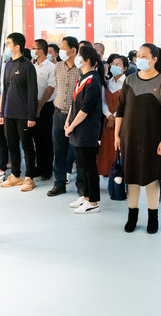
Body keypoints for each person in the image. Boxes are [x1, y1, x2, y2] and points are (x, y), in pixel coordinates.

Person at [115, 43, 161, 233]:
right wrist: (117, 135)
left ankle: (153, 216)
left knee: (151, 178)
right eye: (138, 55)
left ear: (154, 60)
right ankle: (132, 215)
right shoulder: (129, 80)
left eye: (144, 56)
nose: (139, 58)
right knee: (131, 177)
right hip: (129, 137)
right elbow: (120, 109)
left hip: (152, 138)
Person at [0, 33, 38, 192]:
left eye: (8, 44)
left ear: (17, 47)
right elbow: (5, 91)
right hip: (9, 113)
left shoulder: (28, 66)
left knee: (27, 146)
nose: (6, 47)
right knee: (11, 145)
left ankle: (29, 178)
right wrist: (2, 113)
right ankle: (15, 175)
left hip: (23, 115)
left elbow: (32, 93)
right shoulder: (8, 65)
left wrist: (31, 116)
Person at [66, 46, 104, 214]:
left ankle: (93, 202)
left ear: (87, 60)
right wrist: (68, 121)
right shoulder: (81, 77)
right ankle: (86, 196)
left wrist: (72, 125)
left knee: (89, 166)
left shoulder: (93, 80)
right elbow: (74, 103)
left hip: (87, 129)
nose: (77, 58)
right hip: (76, 128)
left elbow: (86, 109)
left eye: (80, 56)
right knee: (81, 164)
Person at [47, 36, 83, 197]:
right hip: (58, 114)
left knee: (77, 152)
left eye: (62, 48)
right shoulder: (58, 67)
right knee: (59, 151)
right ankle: (59, 183)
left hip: (75, 117)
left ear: (73, 50)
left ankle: (81, 185)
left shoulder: (81, 68)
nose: (60, 50)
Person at [97, 54, 128, 177]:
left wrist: (114, 117)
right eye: (113, 64)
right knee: (107, 146)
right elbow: (103, 101)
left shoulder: (127, 83)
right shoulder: (107, 82)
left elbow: (126, 103)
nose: (114, 66)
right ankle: (107, 171)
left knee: (120, 147)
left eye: (118, 64)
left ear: (124, 68)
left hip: (122, 121)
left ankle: (119, 173)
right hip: (108, 120)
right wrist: (108, 115)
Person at [32, 39, 56, 180]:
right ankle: (39, 166)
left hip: (47, 106)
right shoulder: (33, 66)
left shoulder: (51, 67)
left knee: (46, 138)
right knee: (37, 138)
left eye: (33, 48)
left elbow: (51, 87)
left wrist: (41, 104)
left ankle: (47, 168)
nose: (32, 50)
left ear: (40, 51)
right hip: (33, 105)